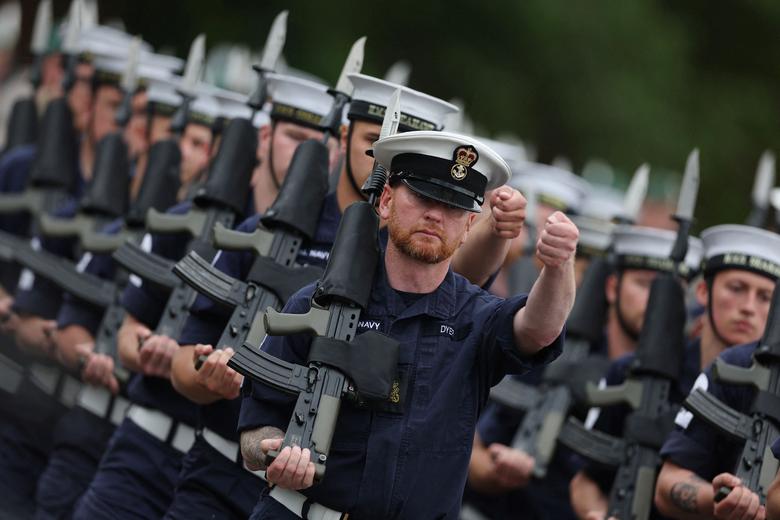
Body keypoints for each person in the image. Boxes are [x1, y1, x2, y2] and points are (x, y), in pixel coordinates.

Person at [238, 130, 578, 519]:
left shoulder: (478, 320)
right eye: (423, 197)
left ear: (469, 225)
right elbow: (254, 428)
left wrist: (559, 266)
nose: (435, 215)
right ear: (386, 201)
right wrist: (274, 450)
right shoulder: (316, 304)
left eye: (453, 207)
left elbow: (539, 329)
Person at [652, 225, 780, 520]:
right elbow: (667, 485)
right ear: (703, 292)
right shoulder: (733, 365)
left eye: (765, 297)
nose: (748, 308)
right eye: (736, 288)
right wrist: (720, 497)